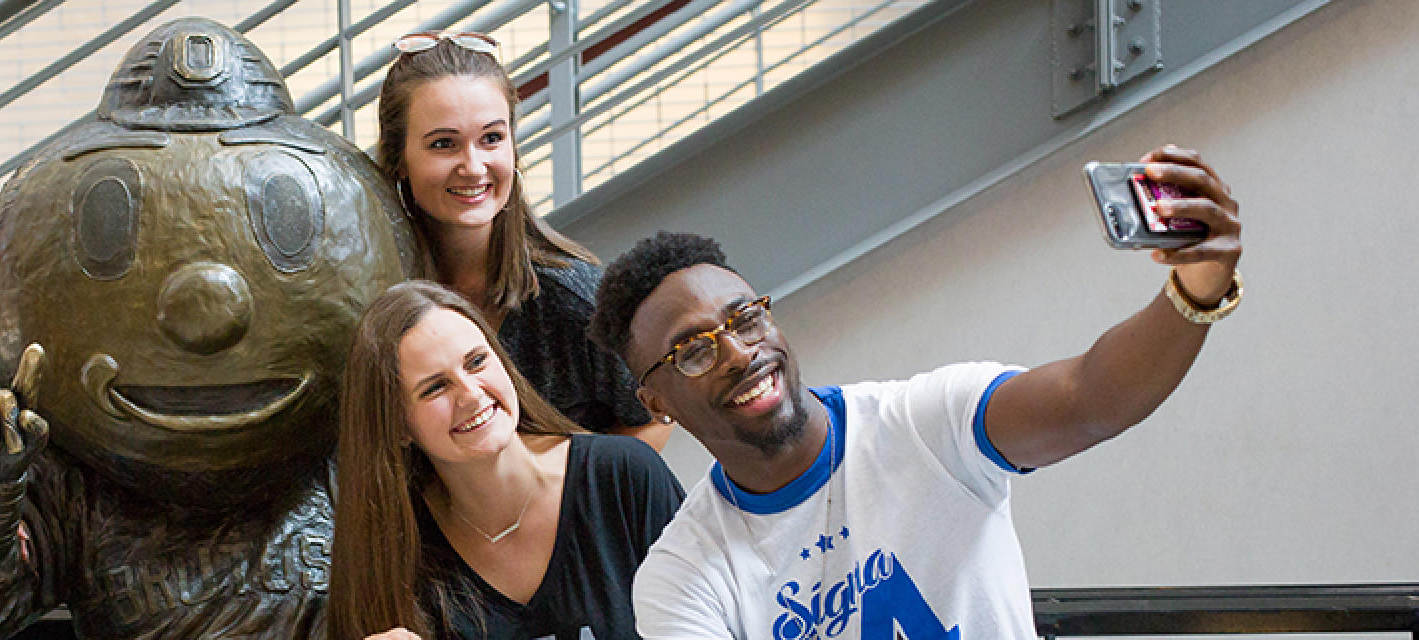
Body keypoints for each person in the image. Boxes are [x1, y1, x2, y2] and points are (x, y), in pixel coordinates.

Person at [586, 147, 1243, 637]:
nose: (739, 352)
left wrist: (1198, 288)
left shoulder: (928, 423)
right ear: (658, 402)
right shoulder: (683, 579)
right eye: (695, 350)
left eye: (746, 317)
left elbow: (1093, 397)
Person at [328, 280, 685, 639]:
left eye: (477, 362)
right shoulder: (398, 560)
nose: (470, 394)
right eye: (435, 387)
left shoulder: (623, 475)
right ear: (398, 426)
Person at [376, 32, 662, 447]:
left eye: (491, 138)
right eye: (444, 144)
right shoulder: (374, 298)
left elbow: (653, 417)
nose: (473, 167)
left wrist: (574, 506)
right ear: (398, 157)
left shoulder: (575, 298)